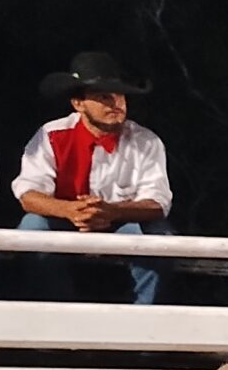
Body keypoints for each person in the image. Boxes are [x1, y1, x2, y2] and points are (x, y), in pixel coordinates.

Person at [14, 51, 172, 305]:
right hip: (64, 218)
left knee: (159, 240)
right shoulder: (51, 134)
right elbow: (28, 194)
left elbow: (158, 202)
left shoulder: (146, 141)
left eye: (120, 96)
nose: (115, 104)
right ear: (78, 103)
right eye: (103, 97)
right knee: (32, 228)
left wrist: (111, 211)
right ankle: (55, 315)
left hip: (123, 221)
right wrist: (70, 210)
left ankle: (144, 321)